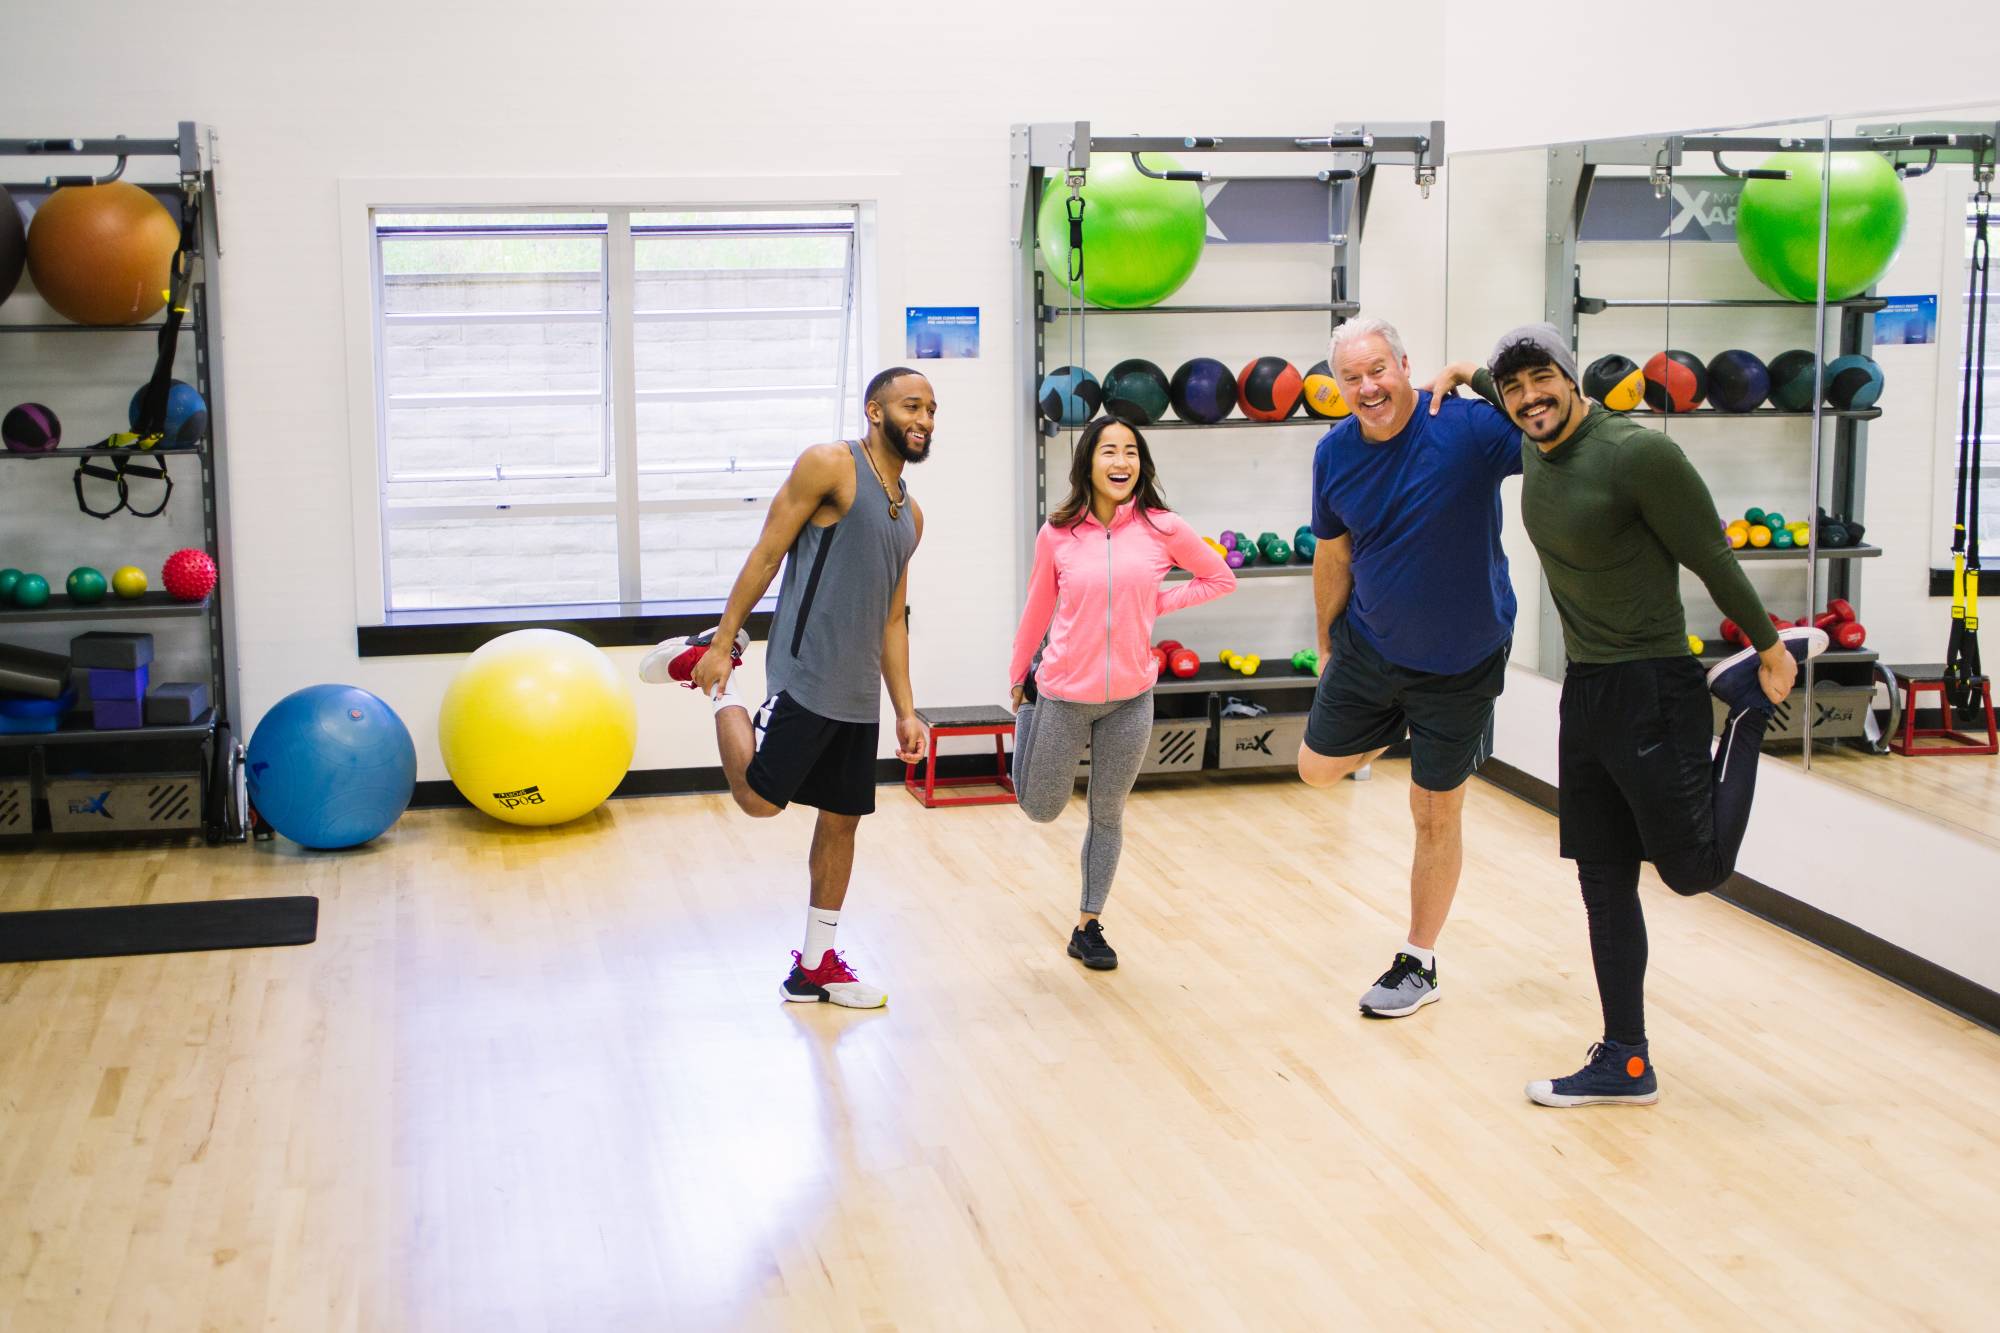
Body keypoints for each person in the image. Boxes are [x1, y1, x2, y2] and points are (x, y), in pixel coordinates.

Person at [1430, 324, 1826, 1106]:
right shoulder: (1528, 431)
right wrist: (1467, 372)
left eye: (1543, 380)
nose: (1528, 398)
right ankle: (1627, 1058)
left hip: (1655, 684)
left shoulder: (1638, 455)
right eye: (1514, 390)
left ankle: (1742, 712)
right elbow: (1493, 383)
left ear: (1571, 378)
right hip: (1590, 691)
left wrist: (1771, 646)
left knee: (1692, 870)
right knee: (1603, 879)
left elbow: (1711, 553)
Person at [639, 367, 931, 1009]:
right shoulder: (829, 465)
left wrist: (906, 711)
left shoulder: (909, 516)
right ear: (874, 411)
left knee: (843, 820)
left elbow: (891, 617)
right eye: (912, 405)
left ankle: (815, 967)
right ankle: (715, 679)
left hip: (856, 693)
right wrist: (723, 640)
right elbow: (769, 553)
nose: (925, 419)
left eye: (932, 410)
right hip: (805, 672)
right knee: (758, 800)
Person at [1297, 317, 1523, 1018]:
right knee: (1316, 768)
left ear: (1405, 364)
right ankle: (1428, 732)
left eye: (1378, 370)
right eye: (1351, 378)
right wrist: (1328, 640)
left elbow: (1567, 427)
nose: (1368, 388)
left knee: (1433, 810)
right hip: (1372, 646)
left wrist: (1477, 374)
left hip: (1462, 659)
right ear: (1337, 387)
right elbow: (1332, 554)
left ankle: (1418, 959)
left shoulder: (1465, 430)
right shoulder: (1334, 454)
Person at [1008, 415, 1235, 970]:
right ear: (1088, 461)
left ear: (1141, 464)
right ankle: (1028, 720)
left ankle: (1089, 925)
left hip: (1131, 697)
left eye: (1131, 452)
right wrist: (1020, 676)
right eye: (1109, 450)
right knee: (1040, 808)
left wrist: (1158, 603)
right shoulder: (1058, 533)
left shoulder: (1163, 527)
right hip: (1061, 692)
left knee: (1108, 812)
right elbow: (1038, 606)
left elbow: (1220, 578)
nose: (1121, 462)